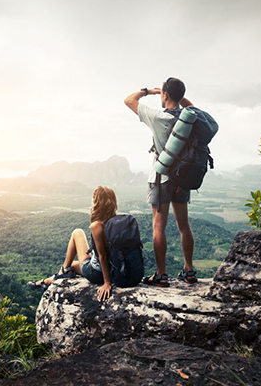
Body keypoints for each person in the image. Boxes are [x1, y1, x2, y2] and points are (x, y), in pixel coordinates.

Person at [123, 77, 197, 287]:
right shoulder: (189, 116)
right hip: (182, 178)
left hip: (161, 178)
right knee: (184, 226)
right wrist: (176, 96)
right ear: (181, 96)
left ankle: (161, 274)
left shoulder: (157, 116)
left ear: (165, 95)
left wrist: (151, 91)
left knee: (159, 227)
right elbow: (191, 106)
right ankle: (189, 270)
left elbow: (128, 100)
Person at [27, 186, 118, 301]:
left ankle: (62, 271)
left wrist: (107, 283)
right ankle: (46, 281)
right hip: (114, 270)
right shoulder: (117, 222)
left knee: (77, 232)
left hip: (97, 273)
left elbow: (103, 256)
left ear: (98, 203)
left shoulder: (97, 225)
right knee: (73, 265)